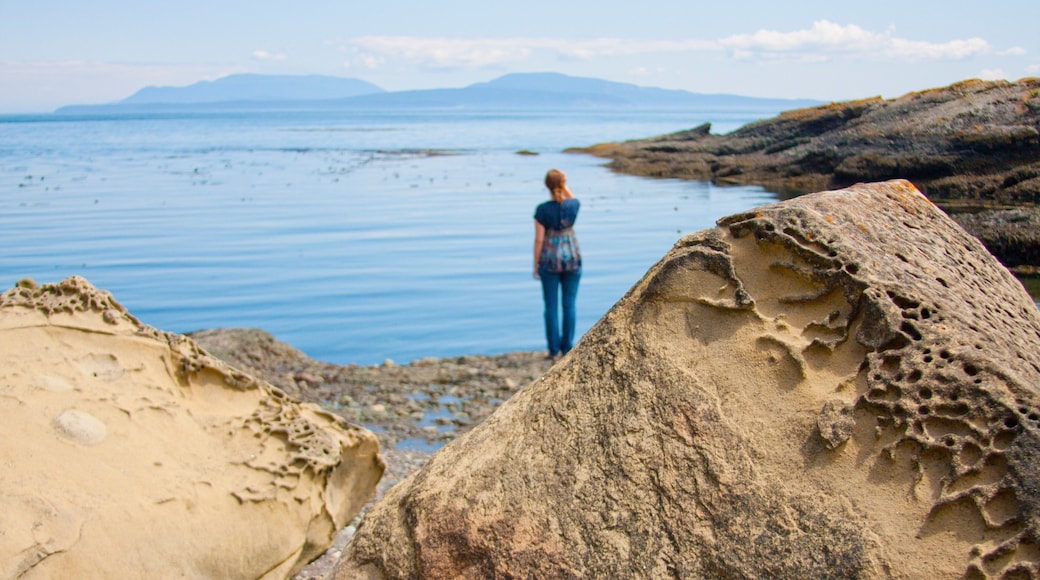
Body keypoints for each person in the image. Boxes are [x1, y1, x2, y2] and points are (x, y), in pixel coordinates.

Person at [533, 168, 582, 359]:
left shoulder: (542, 210)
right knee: (569, 305)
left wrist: (535, 264)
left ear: (547, 185)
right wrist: (563, 186)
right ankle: (567, 349)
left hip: (550, 261)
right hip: (572, 259)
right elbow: (572, 198)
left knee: (551, 307)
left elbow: (539, 240)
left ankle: (553, 350)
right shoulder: (573, 206)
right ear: (563, 184)